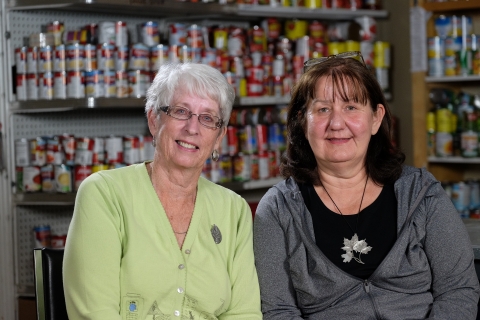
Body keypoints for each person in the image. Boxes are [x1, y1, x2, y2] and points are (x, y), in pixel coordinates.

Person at [253, 51, 480, 319]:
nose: (337, 124)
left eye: (351, 107)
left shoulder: (420, 192)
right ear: (303, 122)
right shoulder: (279, 209)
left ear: (375, 118)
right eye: (323, 109)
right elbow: (278, 311)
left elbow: (458, 290)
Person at [63, 62, 262, 319]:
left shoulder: (234, 210)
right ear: (154, 120)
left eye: (207, 118)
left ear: (219, 136)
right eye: (181, 111)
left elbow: (244, 313)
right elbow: (96, 313)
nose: (193, 128)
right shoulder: (104, 194)